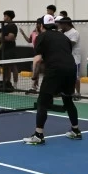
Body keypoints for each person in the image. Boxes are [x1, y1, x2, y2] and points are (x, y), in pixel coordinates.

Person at [24, 15, 82, 145]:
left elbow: (38, 59)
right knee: (68, 100)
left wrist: (34, 76)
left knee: (42, 103)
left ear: (41, 26)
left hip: (55, 70)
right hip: (70, 69)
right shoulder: (64, 37)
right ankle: (76, 130)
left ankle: (38, 135)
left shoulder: (41, 37)